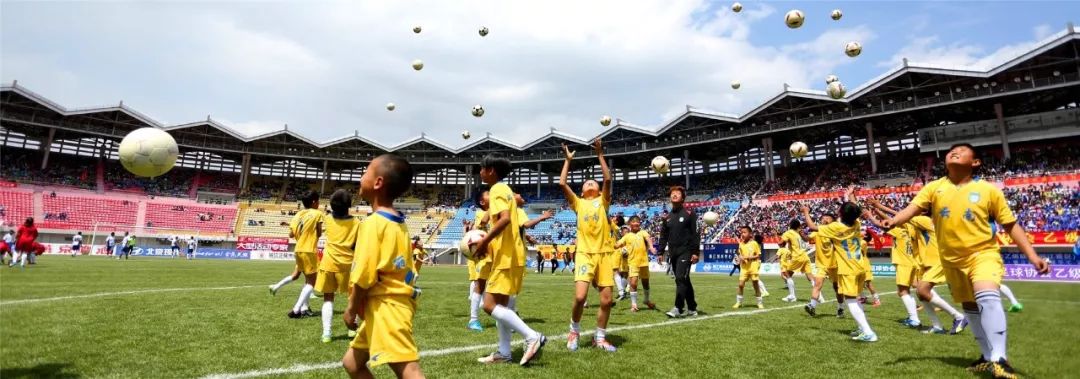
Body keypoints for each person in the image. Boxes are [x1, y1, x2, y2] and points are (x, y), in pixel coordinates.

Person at [883, 143, 1049, 376]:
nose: (954, 151)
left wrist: (1032, 256)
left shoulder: (989, 190)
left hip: (983, 254)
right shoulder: (934, 187)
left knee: (987, 295)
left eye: (961, 150)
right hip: (951, 260)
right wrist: (895, 220)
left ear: (975, 162)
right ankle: (985, 355)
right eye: (951, 150)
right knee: (970, 307)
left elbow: (1010, 225)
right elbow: (912, 209)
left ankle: (1000, 358)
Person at [341, 154, 425, 379]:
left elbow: (364, 275)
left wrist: (351, 308)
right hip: (388, 305)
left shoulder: (372, 224)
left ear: (378, 183)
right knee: (352, 363)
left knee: (409, 370)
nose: (360, 177)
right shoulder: (398, 221)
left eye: (365, 172)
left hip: (387, 306)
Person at [473, 153, 546, 364]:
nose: (480, 172)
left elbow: (504, 220)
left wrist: (484, 242)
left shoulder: (496, 189)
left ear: (491, 171)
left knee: (488, 305)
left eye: (482, 168)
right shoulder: (505, 190)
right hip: (512, 254)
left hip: (505, 255)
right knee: (502, 306)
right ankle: (504, 353)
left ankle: (532, 337)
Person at [870, 198, 967, 335]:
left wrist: (881, 207)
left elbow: (901, 215)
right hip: (924, 262)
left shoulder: (925, 220)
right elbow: (898, 220)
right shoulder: (922, 224)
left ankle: (959, 316)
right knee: (921, 294)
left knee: (921, 291)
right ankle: (937, 326)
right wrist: (879, 211)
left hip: (935, 262)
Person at [559, 141, 617, 352]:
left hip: (604, 255)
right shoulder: (578, 203)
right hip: (584, 253)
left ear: (599, 190)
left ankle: (599, 337)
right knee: (580, 297)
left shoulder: (603, 201)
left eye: (594, 182)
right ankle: (574, 330)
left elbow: (608, 178)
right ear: (582, 192)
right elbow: (562, 183)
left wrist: (600, 154)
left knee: (606, 300)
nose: (590, 183)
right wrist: (567, 161)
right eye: (586, 183)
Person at [803, 186, 878, 342]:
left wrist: (805, 212)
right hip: (859, 267)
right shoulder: (856, 224)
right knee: (856, 299)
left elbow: (811, 227)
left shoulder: (836, 227)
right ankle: (861, 328)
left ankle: (868, 332)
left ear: (841, 214)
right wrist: (851, 195)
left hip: (848, 269)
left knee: (850, 300)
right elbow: (856, 210)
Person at [863, 205, 922, 327]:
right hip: (911, 262)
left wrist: (870, 216)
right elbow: (891, 220)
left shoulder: (900, 232)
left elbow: (883, 224)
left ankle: (914, 319)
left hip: (903, 263)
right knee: (911, 289)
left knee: (902, 292)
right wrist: (878, 211)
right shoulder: (911, 229)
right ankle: (914, 315)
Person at [317, 189, 360, 343]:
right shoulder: (356, 222)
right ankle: (351, 329)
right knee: (352, 298)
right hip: (348, 265)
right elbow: (357, 245)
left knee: (328, 298)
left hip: (328, 262)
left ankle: (327, 334)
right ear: (349, 204)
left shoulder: (327, 219)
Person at [660, 185, 700, 319]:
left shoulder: (689, 214)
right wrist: (660, 252)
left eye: (677, 193)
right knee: (684, 280)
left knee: (680, 278)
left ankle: (678, 307)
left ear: (683, 198)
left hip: (686, 251)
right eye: (672, 193)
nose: (674, 195)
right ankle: (692, 308)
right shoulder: (667, 217)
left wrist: (695, 252)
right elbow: (663, 236)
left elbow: (696, 234)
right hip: (673, 253)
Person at [287, 190, 323, 319]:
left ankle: (305, 308)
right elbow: (319, 233)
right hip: (309, 249)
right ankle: (296, 309)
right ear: (314, 202)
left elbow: (291, 234)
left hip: (298, 250)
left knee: (308, 280)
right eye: (318, 201)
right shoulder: (317, 214)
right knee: (312, 282)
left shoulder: (297, 215)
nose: (319, 204)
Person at [804, 212, 843, 318]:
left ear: (833, 221)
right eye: (823, 217)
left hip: (835, 265)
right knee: (817, 284)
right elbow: (807, 239)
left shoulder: (834, 230)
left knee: (837, 288)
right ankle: (812, 306)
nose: (824, 219)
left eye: (828, 217)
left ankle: (840, 308)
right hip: (821, 264)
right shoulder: (817, 232)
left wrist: (805, 212)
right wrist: (801, 233)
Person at [614, 215, 657, 312]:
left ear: (640, 223)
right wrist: (611, 244)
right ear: (630, 224)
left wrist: (651, 247)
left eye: (637, 221)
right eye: (633, 221)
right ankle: (634, 304)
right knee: (633, 283)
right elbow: (617, 245)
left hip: (644, 262)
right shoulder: (627, 236)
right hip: (633, 263)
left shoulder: (643, 232)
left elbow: (648, 240)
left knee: (646, 283)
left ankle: (646, 300)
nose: (636, 223)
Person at [465, 190, 493, 332]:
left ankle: (506, 316)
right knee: (479, 285)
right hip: (484, 255)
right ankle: (473, 319)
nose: (492, 195)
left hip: (495, 253)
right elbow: (482, 223)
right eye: (489, 194)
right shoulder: (480, 213)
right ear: (482, 202)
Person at [778, 220, 812, 302]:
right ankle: (819, 297)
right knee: (810, 276)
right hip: (805, 256)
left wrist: (781, 243)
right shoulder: (799, 234)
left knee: (787, 275)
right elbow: (807, 240)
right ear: (798, 226)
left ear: (790, 225)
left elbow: (781, 243)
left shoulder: (789, 232)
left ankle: (792, 296)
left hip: (797, 256)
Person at [733, 226, 764, 309]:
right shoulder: (741, 244)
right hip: (744, 268)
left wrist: (748, 257)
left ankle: (759, 302)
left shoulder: (754, 243)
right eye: (741, 232)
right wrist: (740, 257)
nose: (742, 234)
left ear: (750, 234)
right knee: (740, 285)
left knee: (755, 284)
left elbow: (758, 255)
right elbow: (740, 254)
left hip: (753, 267)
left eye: (744, 232)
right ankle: (738, 302)